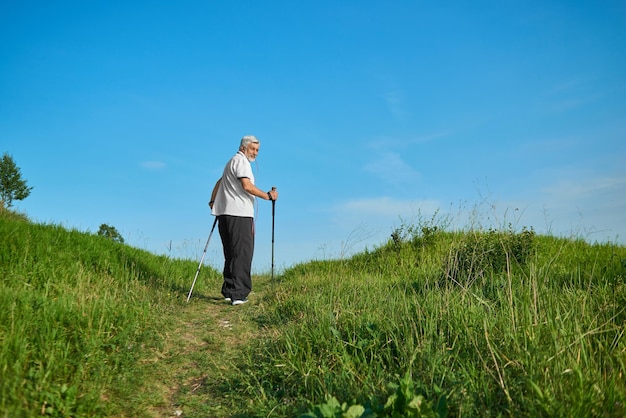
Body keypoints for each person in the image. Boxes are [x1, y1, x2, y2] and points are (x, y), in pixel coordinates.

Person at [209, 135, 278, 306]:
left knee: (231, 253)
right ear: (243, 148)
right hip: (239, 214)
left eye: (257, 150)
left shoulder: (231, 162)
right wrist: (267, 196)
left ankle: (229, 290)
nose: (255, 153)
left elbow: (220, 181)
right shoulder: (241, 161)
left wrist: (212, 201)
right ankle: (239, 294)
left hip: (225, 214)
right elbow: (246, 186)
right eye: (252, 149)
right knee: (242, 252)